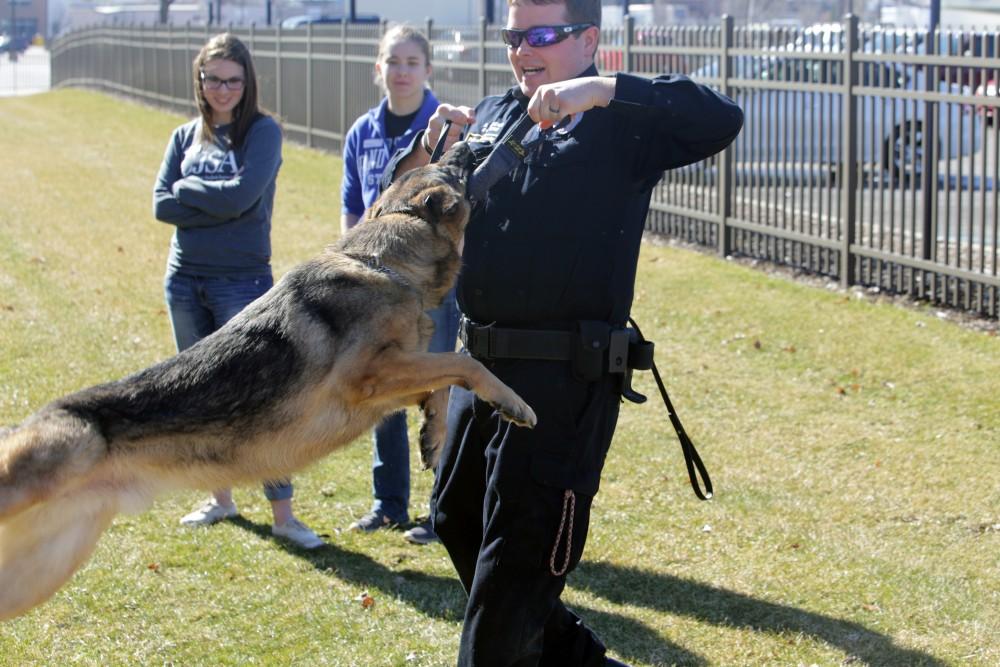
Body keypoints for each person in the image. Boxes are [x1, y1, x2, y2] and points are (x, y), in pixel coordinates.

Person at [383, 0, 743, 664]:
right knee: (456, 520)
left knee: (509, 586)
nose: (522, 49)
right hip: (479, 370)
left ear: (588, 40)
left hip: (560, 387)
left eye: (541, 35)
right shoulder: (495, 114)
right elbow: (409, 224)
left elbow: (721, 117)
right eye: (514, 36)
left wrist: (603, 91)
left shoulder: (621, 126)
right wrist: (428, 157)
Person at [152, 33, 323, 550]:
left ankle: (283, 515)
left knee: (263, 396)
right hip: (185, 281)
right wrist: (212, 201)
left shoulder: (263, 132)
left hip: (243, 284)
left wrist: (191, 191)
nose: (222, 89)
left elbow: (245, 196)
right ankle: (219, 498)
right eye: (213, 79)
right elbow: (162, 204)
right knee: (200, 395)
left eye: (232, 79)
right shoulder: (185, 136)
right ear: (199, 80)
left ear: (247, 82)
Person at [341, 24, 460, 545]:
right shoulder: (362, 132)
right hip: (376, 284)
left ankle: (443, 510)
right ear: (379, 68)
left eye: (412, 62)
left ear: (427, 70)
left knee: (439, 391)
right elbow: (351, 205)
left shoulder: (448, 131)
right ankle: (387, 503)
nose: (403, 71)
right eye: (393, 61)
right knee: (381, 387)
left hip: (432, 286)